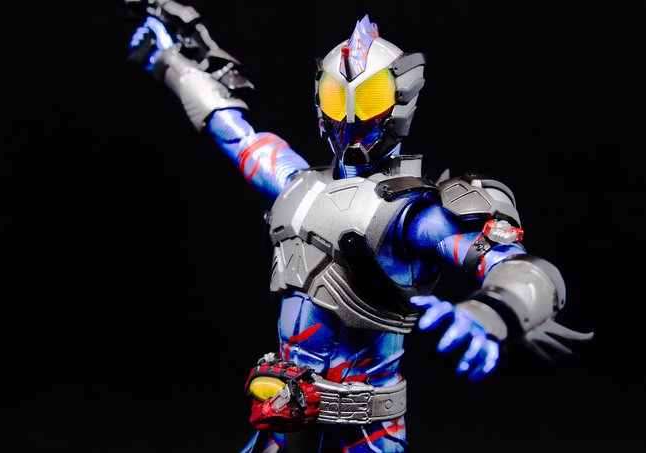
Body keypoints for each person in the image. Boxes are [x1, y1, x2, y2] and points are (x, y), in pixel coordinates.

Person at [125, 1, 593, 451]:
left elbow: (516, 264)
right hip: (284, 417)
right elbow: (232, 129)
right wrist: (170, 60)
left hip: (365, 432)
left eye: (368, 97)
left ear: (399, 102)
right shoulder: (297, 184)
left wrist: (493, 315)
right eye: (336, 95)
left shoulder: (409, 213)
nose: (349, 114)